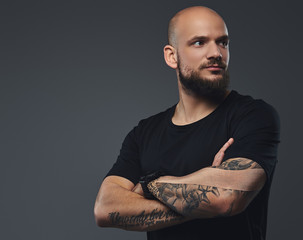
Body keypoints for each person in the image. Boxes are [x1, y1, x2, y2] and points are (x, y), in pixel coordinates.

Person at [94, 6, 280, 240]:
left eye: (223, 42)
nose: (216, 53)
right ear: (172, 56)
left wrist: (149, 185)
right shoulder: (143, 133)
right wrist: (203, 195)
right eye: (199, 42)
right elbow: (105, 208)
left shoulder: (253, 115)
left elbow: (227, 198)